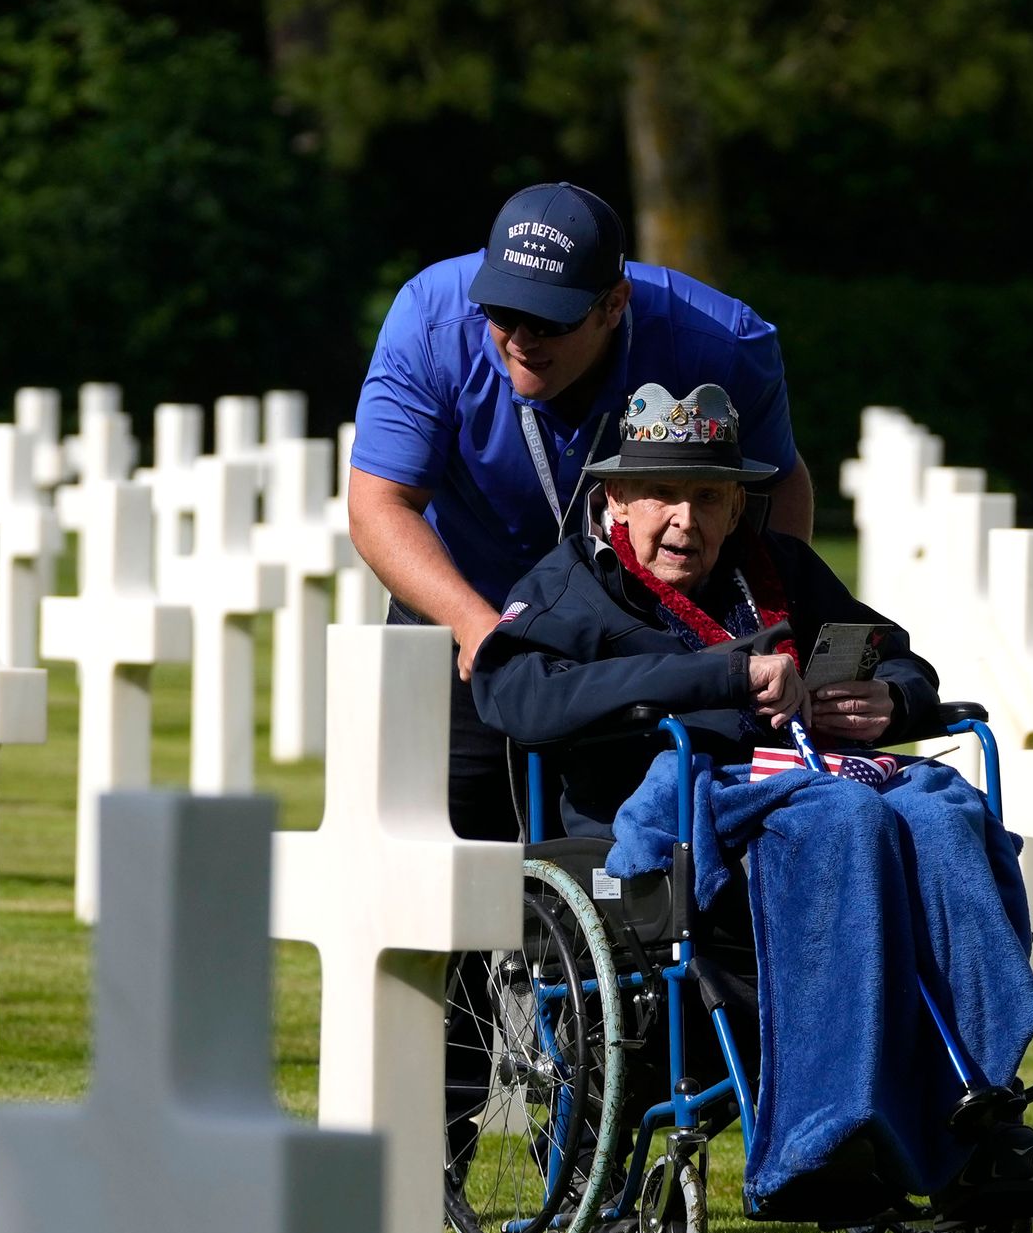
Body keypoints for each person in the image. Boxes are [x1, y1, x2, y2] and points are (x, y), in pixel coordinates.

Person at [470, 380, 1033, 1226]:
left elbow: (900, 661)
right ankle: (824, 1134)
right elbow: (516, 699)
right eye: (661, 496)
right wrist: (718, 675)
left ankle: (983, 1112)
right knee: (845, 820)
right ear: (614, 496)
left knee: (944, 813)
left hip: (810, 791)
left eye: (709, 498)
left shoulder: (778, 571)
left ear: (737, 507)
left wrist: (892, 705)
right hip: (667, 822)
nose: (683, 521)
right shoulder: (572, 588)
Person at [346, 182, 818, 842]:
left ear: (614, 304)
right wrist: (475, 624)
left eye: (550, 321)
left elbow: (778, 482)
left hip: (647, 632)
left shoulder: (723, 344)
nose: (520, 339)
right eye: (503, 314)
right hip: (465, 608)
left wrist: (764, 625)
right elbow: (379, 504)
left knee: (642, 857)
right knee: (444, 864)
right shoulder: (429, 320)